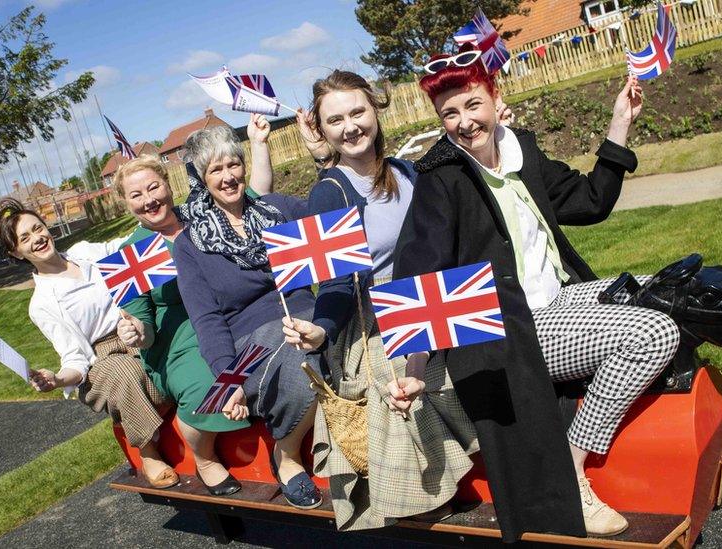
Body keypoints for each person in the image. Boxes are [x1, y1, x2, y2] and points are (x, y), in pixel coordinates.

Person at [392, 47, 680, 541]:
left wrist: (619, 125)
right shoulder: (441, 178)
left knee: (665, 291)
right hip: (510, 329)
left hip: (560, 299)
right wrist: (414, 372)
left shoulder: (520, 147)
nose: (464, 122)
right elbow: (419, 277)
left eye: (473, 105)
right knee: (654, 332)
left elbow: (590, 202)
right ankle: (573, 468)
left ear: (493, 97)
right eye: (450, 114)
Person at [280, 70, 480, 530]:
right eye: (336, 120)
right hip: (370, 313)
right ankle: (420, 492)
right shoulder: (329, 191)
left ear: (375, 110)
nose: (350, 127)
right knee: (404, 377)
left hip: (429, 296)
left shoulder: (408, 170)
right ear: (322, 130)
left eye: (357, 112)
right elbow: (333, 285)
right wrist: (320, 330)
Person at [111, 116, 273, 497]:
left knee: (269, 355)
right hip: (176, 339)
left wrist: (259, 144)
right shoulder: (130, 253)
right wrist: (135, 330)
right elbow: (145, 328)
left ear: (170, 185)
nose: (149, 199)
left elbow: (255, 197)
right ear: (127, 204)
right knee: (214, 384)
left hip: (229, 316)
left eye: (154, 187)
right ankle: (202, 453)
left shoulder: (201, 214)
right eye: (136, 195)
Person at [173, 123, 322, 510]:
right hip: (251, 343)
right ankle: (286, 454)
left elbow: (333, 216)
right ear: (202, 180)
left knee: (339, 343)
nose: (228, 177)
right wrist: (228, 380)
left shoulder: (277, 210)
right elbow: (207, 321)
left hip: (308, 316)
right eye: (215, 170)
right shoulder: (191, 244)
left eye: (233, 164)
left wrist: (323, 157)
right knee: (302, 362)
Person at [0, 198, 178, 489]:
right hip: (101, 359)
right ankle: (148, 450)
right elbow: (74, 358)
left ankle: (172, 409)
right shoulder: (42, 303)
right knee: (126, 373)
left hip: (135, 326)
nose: (37, 238)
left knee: (179, 339)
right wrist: (56, 379)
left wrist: (151, 213)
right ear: (16, 252)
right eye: (25, 238)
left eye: (38, 228)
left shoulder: (84, 253)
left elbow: (124, 246)